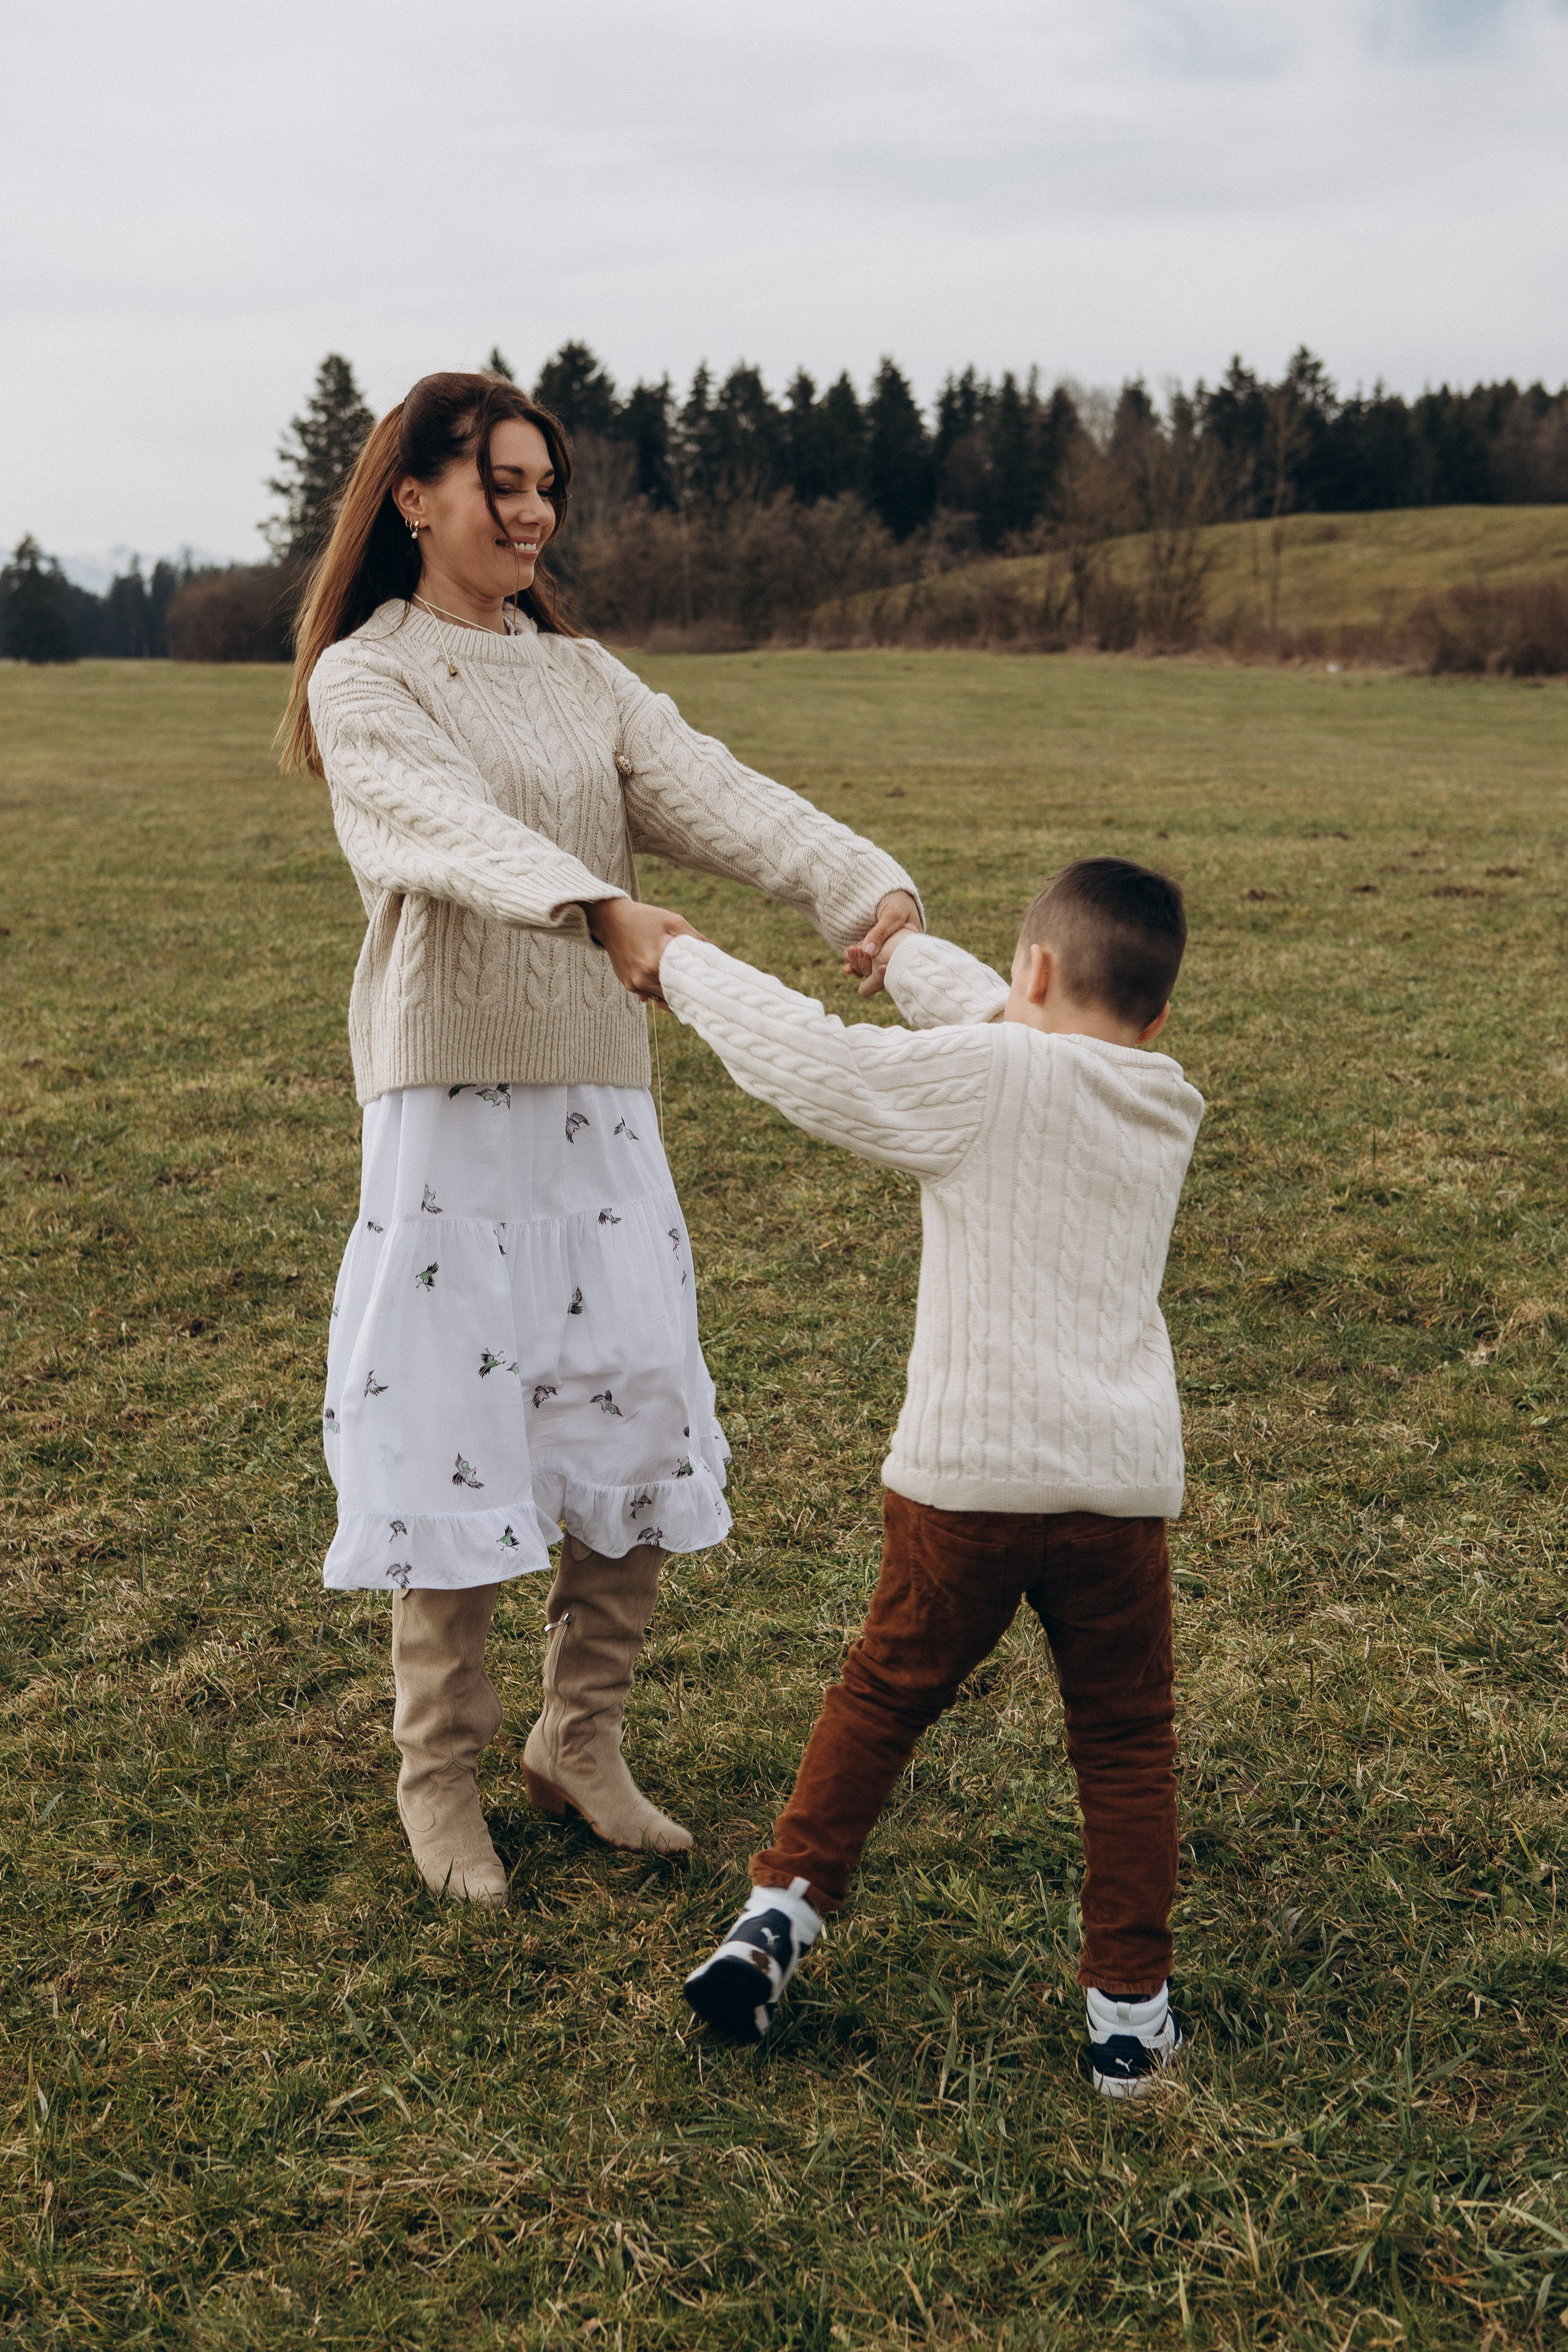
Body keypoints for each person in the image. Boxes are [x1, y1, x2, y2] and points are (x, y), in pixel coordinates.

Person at [277, 371, 921, 1907]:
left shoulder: (580, 672)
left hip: (597, 1091)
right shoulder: (363, 684)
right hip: (450, 1098)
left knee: (630, 1397)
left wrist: (858, 885)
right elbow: (441, 831)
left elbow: (705, 786)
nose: (530, 509)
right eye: (500, 480)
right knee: (451, 1412)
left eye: (544, 484)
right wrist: (594, 901)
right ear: (412, 498)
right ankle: (438, 1771)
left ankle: (580, 1738)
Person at [665, 858, 1205, 2097]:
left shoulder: (986, 1075)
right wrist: (902, 949)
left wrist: (676, 961)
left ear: (1032, 971)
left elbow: (820, 1061)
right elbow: (1016, 1035)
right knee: (1123, 1744)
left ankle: (778, 1917)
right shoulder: (1160, 1095)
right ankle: (1128, 2016)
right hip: (1114, 1497)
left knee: (880, 1698)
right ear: (1156, 1017)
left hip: (963, 1487)